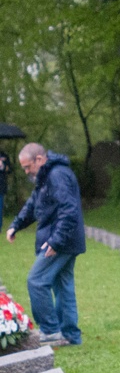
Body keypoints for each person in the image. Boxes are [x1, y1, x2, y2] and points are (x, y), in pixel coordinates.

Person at [6, 143, 85, 347]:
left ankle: (51, 331)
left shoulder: (57, 175)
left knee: (36, 281)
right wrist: (16, 225)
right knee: (63, 286)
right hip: (65, 239)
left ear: (40, 160)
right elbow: (34, 205)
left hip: (60, 240)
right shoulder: (46, 176)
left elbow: (69, 210)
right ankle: (70, 335)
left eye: (27, 166)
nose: (26, 171)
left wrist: (56, 241)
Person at [0, 149, 10, 231]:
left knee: (0, 208)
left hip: (1, 187)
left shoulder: (4, 156)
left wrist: (2, 166)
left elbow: (9, 169)